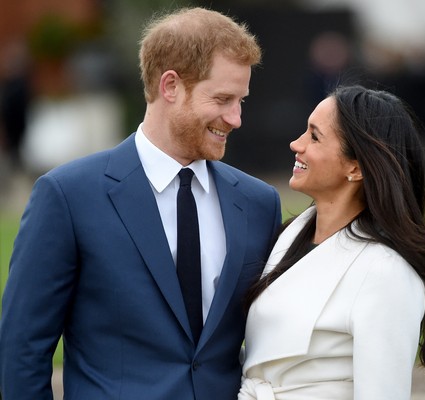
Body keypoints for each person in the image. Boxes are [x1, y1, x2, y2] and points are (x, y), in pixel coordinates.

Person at [0, 7, 281, 400]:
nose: (235, 118)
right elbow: (21, 353)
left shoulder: (258, 203)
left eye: (241, 101)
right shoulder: (67, 196)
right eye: (222, 99)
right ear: (170, 86)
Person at [238, 85, 425, 400]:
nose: (296, 144)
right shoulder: (288, 237)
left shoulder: (385, 273)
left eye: (314, 137)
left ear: (355, 167)